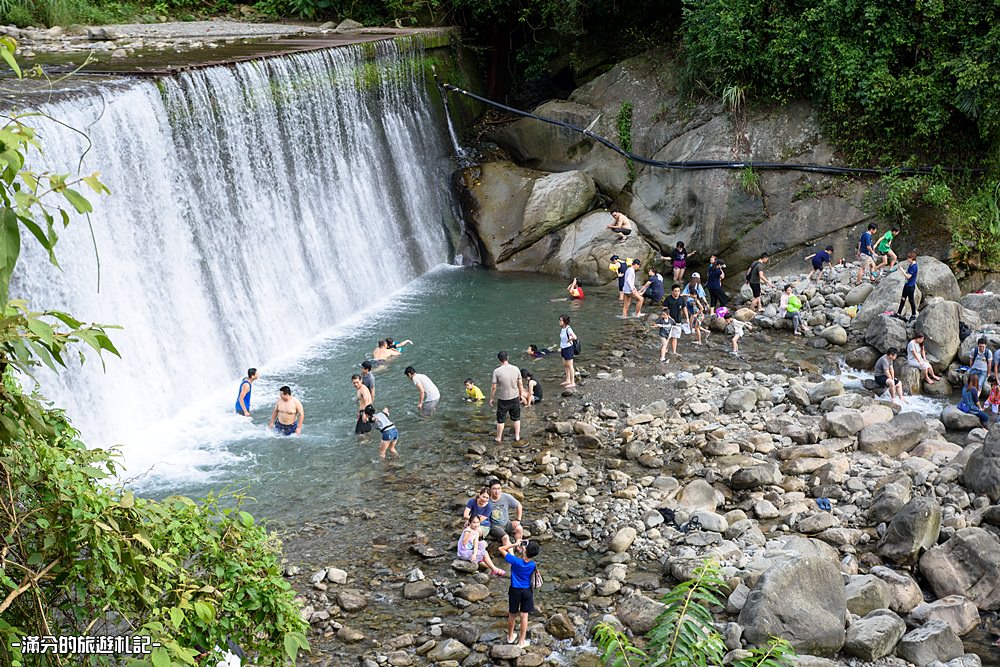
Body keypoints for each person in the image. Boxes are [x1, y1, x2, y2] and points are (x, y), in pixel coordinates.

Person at [499, 539, 540, 648]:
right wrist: (524, 549)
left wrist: (515, 544)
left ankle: (511, 637)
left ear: (525, 550)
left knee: (512, 614)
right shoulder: (533, 564)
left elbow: (501, 548)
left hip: (515, 590)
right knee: (524, 616)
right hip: (527, 591)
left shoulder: (515, 561)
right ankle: (521, 641)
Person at [490, 351, 524, 444]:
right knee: (516, 418)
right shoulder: (516, 368)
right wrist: (521, 395)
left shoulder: (496, 371)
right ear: (508, 358)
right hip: (515, 397)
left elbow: (494, 387)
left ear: (499, 360)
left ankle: (498, 438)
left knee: (500, 419)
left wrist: (492, 398)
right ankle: (517, 436)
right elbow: (520, 384)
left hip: (503, 399)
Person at [487, 478, 524, 546]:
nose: (497, 491)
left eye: (499, 489)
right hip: (495, 527)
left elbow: (519, 506)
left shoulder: (506, 497)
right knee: (506, 537)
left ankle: (518, 546)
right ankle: (510, 555)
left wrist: (518, 520)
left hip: (507, 524)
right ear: (490, 490)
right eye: (494, 489)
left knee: (519, 528)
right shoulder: (486, 500)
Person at [681, 273, 709, 345]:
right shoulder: (698, 286)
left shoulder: (689, 284)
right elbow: (702, 296)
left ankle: (692, 330)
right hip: (694, 305)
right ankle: (693, 330)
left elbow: (685, 294)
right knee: (694, 321)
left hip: (688, 303)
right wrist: (706, 303)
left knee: (693, 318)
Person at [662, 284, 688, 356]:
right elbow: (664, 309)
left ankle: (674, 351)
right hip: (669, 322)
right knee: (667, 337)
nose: (677, 293)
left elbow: (684, 308)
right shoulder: (668, 299)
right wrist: (669, 318)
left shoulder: (681, 299)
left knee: (675, 337)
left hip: (678, 321)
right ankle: (664, 350)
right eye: (675, 291)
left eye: (678, 291)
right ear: (672, 292)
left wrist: (687, 318)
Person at [895, 250, 919, 321]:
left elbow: (908, 276)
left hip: (910, 287)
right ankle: (898, 313)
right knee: (903, 299)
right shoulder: (911, 265)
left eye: (909, 258)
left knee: (911, 300)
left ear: (912, 258)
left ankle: (914, 314)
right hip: (906, 285)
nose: (908, 259)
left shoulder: (914, 266)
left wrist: (902, 270)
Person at [559, 314, 577, 389]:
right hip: (563, 348)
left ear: (564, 321)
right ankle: (568, 379)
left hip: (568, 348)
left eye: (560, 320)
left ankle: (573, 382)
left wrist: (570, 339)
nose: (559, 321)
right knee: (565, 365)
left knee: (570, 365)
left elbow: (575, 337)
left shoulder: (568, 329)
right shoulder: (562, 328)